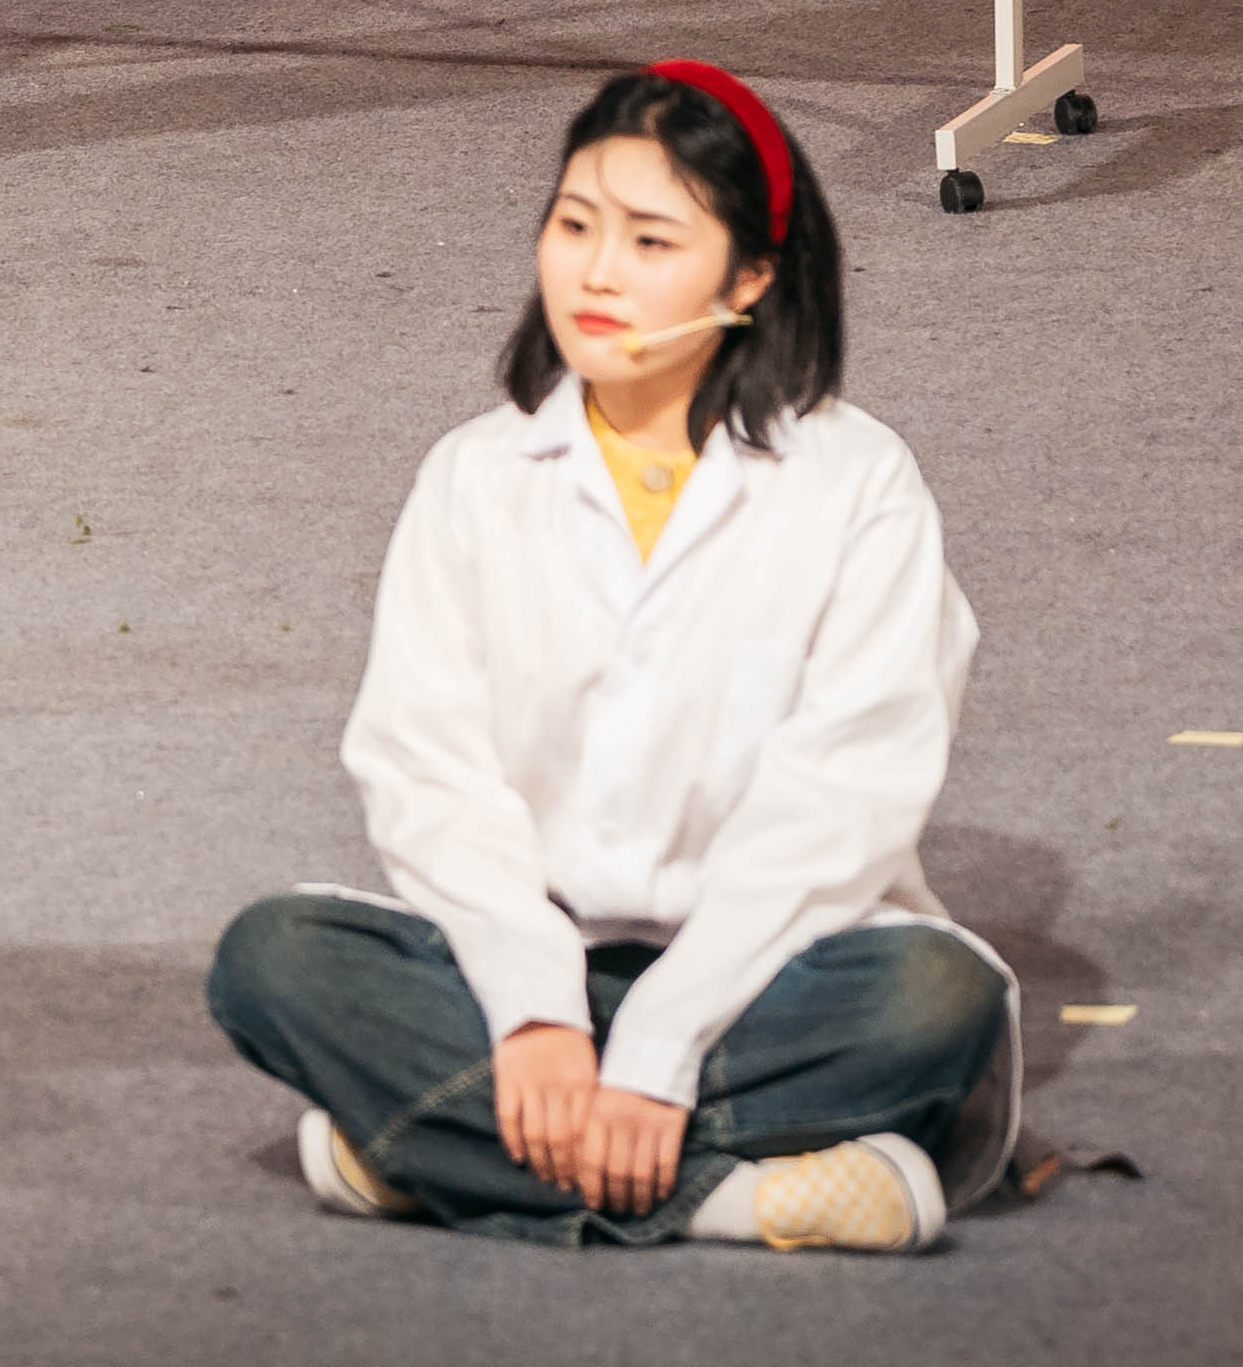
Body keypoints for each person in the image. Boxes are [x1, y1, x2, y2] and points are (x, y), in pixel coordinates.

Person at [206, 63, 1017, 1249]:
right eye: (574, 225)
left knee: (935, 1000)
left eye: (649, 242)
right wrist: (537, 1019)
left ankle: (429, 1146)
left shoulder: (855, 485)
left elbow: (844, 804)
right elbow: (426, 773)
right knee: (271, 960)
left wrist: (659, 1047)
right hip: (519, 968)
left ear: (747, 277)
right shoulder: (473, 477)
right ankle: (733, 1197)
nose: (594, 272)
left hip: (765, 977)